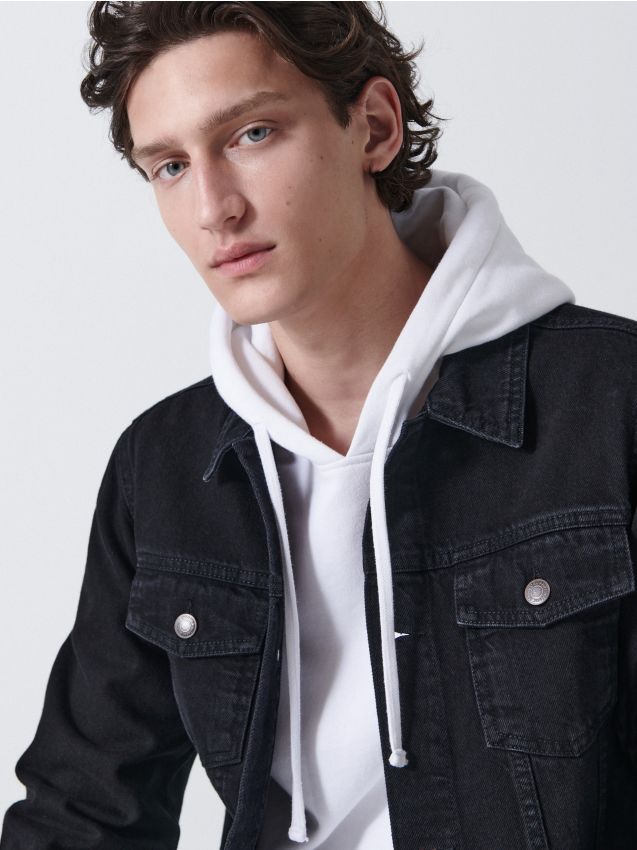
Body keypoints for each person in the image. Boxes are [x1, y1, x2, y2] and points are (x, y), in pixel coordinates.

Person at [2, 2, 636, 848]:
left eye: (252, 134)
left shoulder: (609, 404)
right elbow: (81, 813)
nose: (213, 208)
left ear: (373, 127)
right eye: (170, 166)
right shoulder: (166, 467)